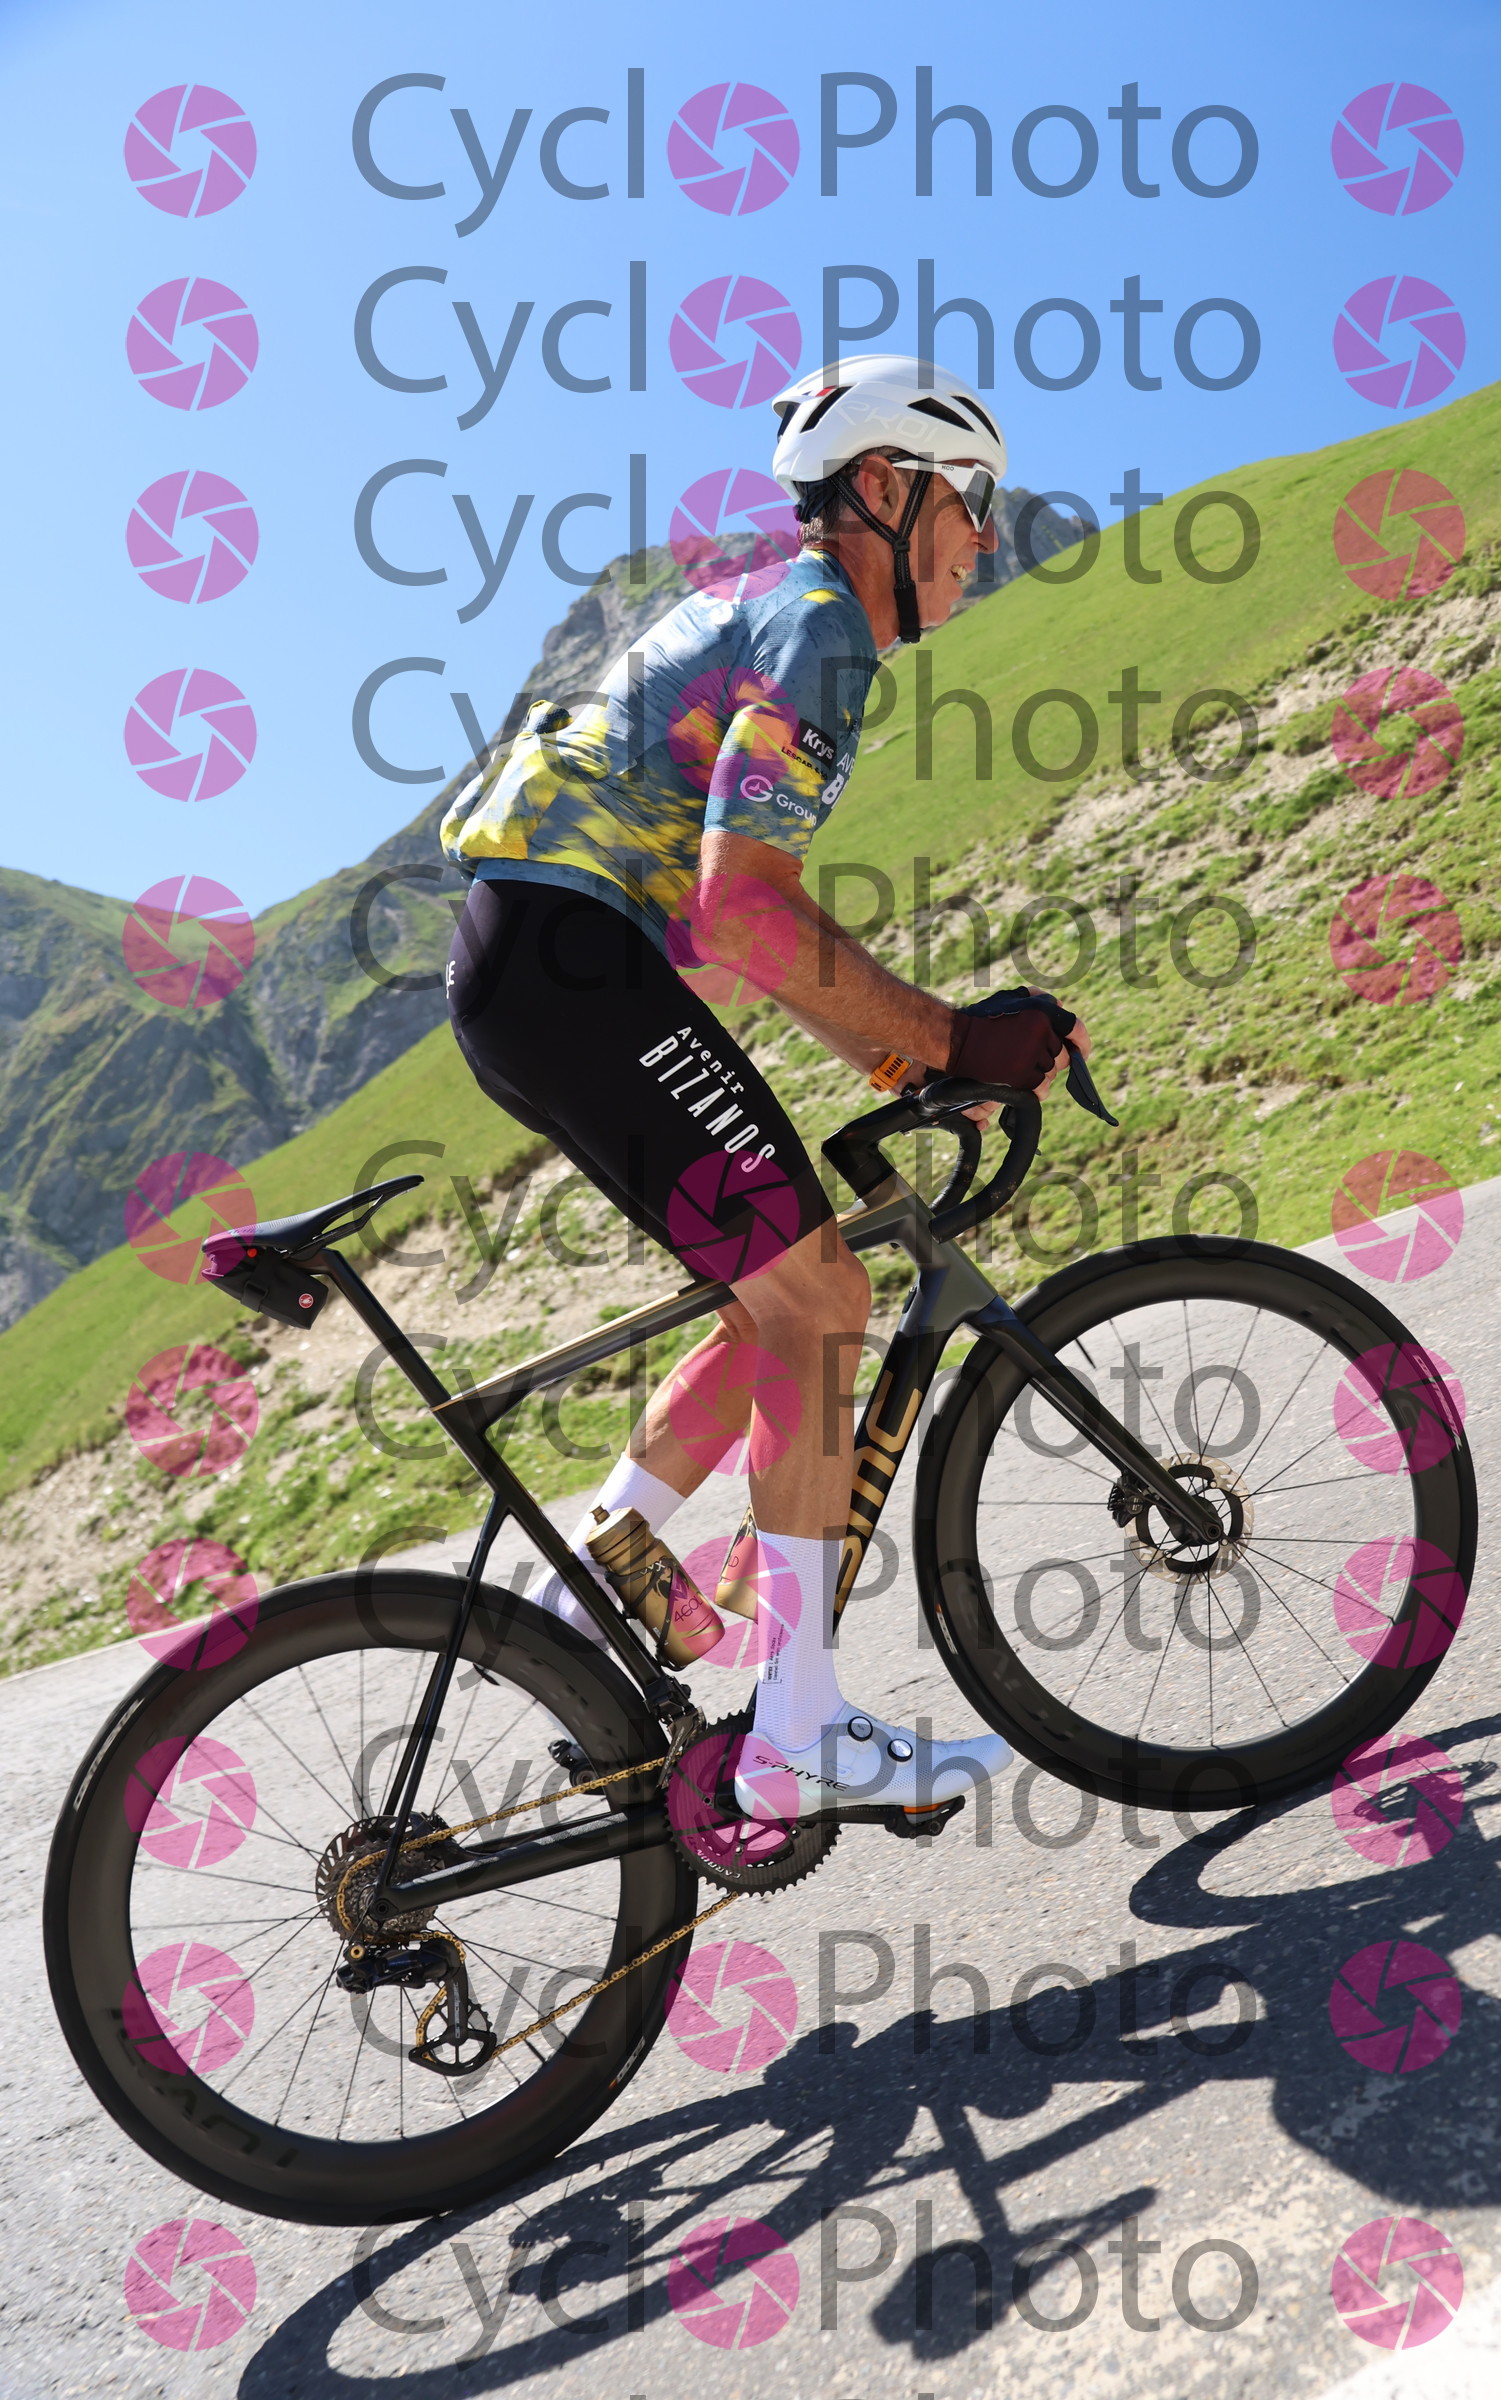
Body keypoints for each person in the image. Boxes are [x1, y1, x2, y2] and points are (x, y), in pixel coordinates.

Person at [439, 353, 1091, 1819]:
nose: (985, 534)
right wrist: (953, 1037)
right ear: (887, 488)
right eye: (971, 498)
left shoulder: (778, 613)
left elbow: (747, 924)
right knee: (824, 1301)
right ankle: (797, 1733)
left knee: (779, 1289)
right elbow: (745, 911)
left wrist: (899, 1055)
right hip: (570, 966)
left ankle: (594, 1579)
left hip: (543, 967)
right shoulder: (822, 629)